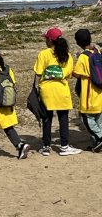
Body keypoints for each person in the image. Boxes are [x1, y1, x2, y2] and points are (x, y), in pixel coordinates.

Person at [34, 27, 82, 156]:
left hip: (47, 90)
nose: (45, 41)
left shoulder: (43, 54)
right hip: (61, 90)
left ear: (50, 40)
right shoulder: (68, 56)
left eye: (46, 39)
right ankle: (65, 146)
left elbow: (38, 72)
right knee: (63, 118)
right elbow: (69, 74)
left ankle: (46, 146)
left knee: (47, 118)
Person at [73, 29, 102, 152]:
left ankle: (100, 137)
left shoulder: (83, 57)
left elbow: (77, 74)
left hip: (88, 94)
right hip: (99, 92)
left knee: (86, 118)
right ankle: (95, 144)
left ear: (77, 43)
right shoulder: (98, 52)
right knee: (99, 120)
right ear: (91, 39)